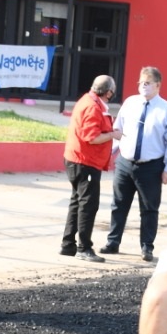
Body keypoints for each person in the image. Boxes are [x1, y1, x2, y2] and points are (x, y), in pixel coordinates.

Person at [101, 66, 167, 262]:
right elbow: (117, 129)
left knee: (149, 208)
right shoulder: (130, 103)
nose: (142, 86)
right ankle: (113, 242)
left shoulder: (166, 110)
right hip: (126, 162)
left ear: (157, 85)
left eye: (147, 83)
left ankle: (147, 247)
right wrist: (110, 153)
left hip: (151, 166)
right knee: (118, 204)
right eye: (140, 83)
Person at [61, 75, 121, 263]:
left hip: (77, 160)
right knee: (88, 205)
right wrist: (113, 134)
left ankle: (68, 244)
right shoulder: (93, 107)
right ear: (109, 92)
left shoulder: (88, 101)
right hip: (85, 162)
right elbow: (92, 137)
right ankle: (84, 247)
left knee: (77, 203)